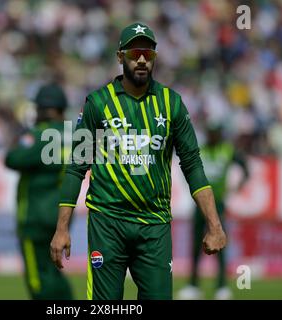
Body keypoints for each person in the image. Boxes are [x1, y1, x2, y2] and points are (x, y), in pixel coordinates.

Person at [50, 22, 227, 300]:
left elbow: (192, 165)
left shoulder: (172, 104)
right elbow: (76, 167)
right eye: (134, 54)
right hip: (107, 223)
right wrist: (61, 229)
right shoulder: (98, 103)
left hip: (154, 226)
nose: (142, 59)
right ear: (121, 57)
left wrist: (214, 225)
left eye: (148, 53)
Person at [4, 83, 73, 300]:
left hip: (34, 217)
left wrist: (25, 134)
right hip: (62, 218)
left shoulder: (40, 135)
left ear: (43, 109)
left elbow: (12, 159)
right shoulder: (75, 136)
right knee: (55, 272)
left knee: (38, 280)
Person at [178, 124, 249, 300]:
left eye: (215, 133)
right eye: (210, 132)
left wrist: (239, 185)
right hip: (200, 204)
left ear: (219, 134)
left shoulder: (227, 149)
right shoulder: (200, 149)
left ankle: (222, 286)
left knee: (221, 245)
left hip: (218, 203)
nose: (212, 135)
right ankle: (193, 285)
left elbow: (246, 168)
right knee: (195, 246)